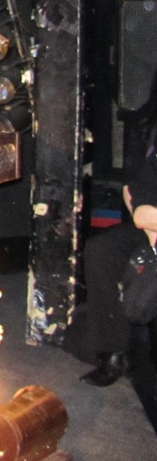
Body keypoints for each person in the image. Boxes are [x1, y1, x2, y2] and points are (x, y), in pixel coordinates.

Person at [77, 66, 157, 387]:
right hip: (152, 225)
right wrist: (148, 225)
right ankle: (114, 351)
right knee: (102, 250)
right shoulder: (150, 129)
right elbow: (134, 186)